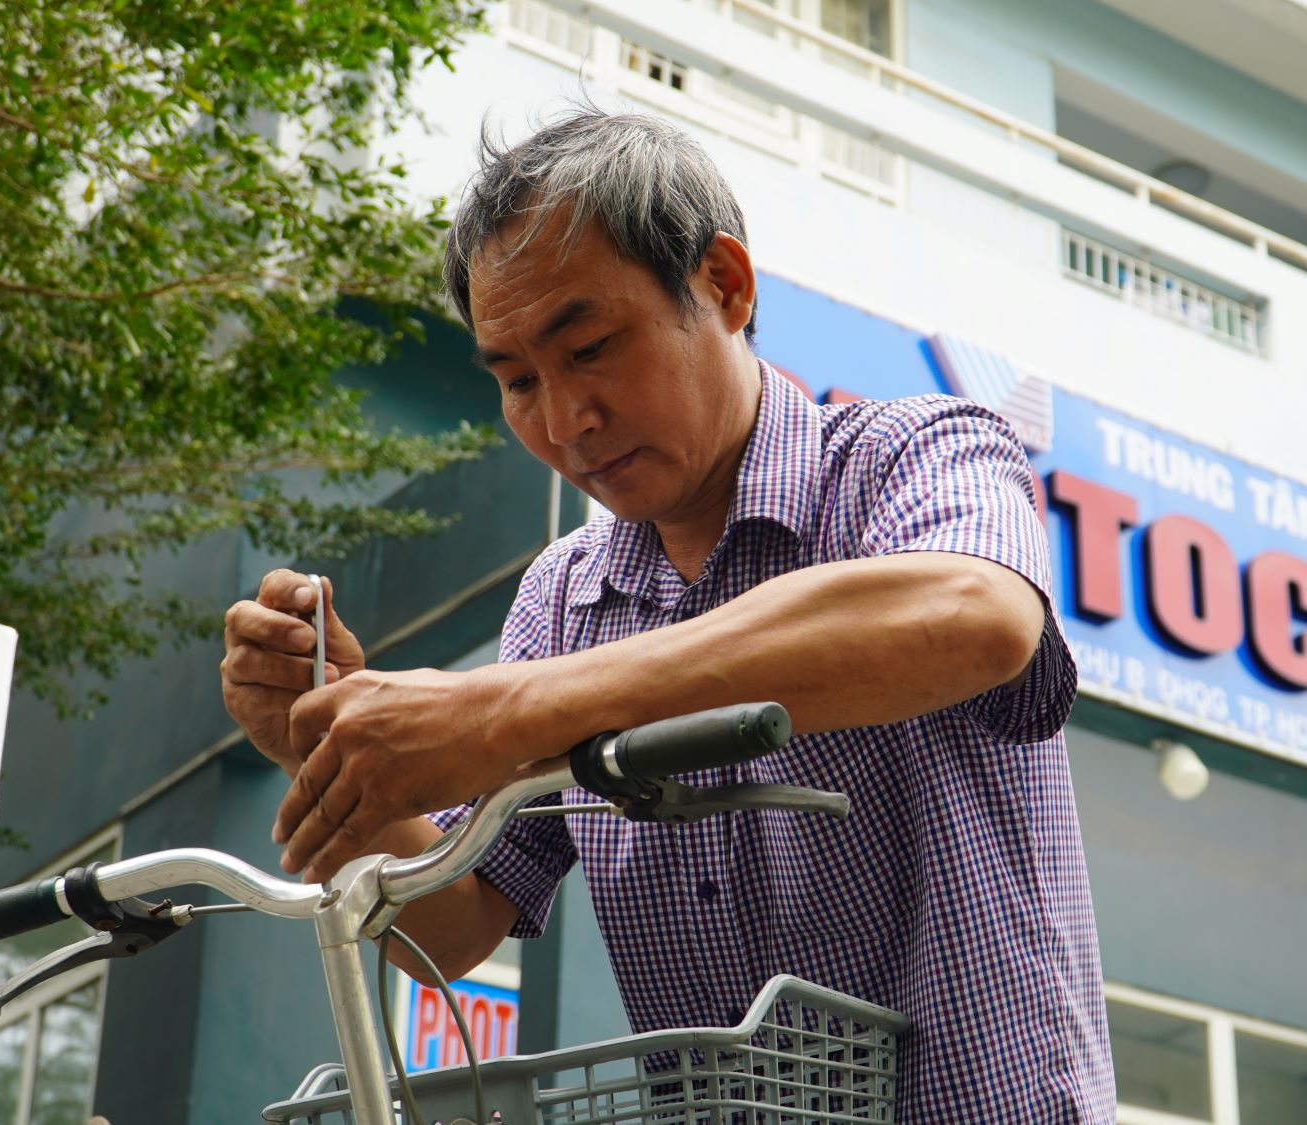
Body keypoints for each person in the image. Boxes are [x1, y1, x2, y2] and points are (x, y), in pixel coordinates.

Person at [220, 109, 1114, 1122]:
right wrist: (333, 749)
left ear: (723, 286)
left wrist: (499, 716)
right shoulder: (562, 600)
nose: (562, 422)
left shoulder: (911, 454)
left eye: (592, 347)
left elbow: (974, 617)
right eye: (515, 381)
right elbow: (448, 929)